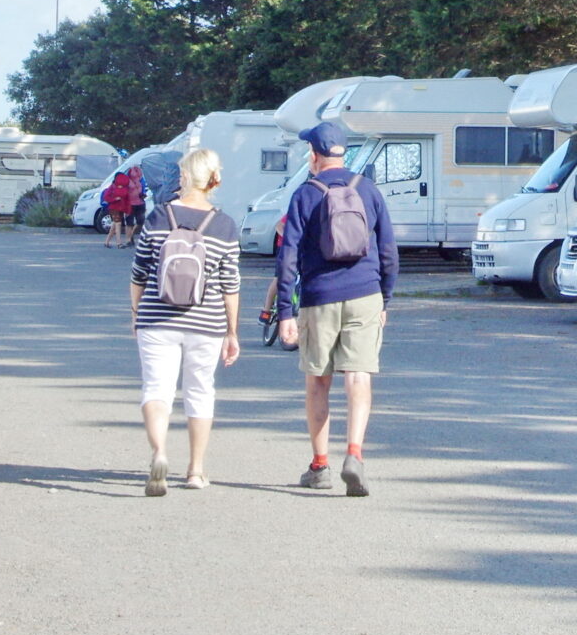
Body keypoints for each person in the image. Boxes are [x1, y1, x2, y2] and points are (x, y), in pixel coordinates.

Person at [271, 120, 396, 497]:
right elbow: (389, 252)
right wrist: (385, 298)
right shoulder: (368, 189)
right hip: (365, 294)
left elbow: (287, 256)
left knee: (318, 381)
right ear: (343, 152)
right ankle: (354, 455)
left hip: (319, 296)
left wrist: (284, 311)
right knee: (358, 376)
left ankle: (320, 465)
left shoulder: (305, 194)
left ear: (314, 155)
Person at [130, 147, 241, 495]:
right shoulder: (224, 225)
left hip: (156, 317)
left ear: (183, 177)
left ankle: (160, 454)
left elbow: (139, 272)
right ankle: (195, 470)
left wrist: (136, 314)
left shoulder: (158, 217)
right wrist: (232, 331)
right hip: (206, 322)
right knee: (200, 392)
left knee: (156, 389)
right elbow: (230, 284)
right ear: (215, 180)